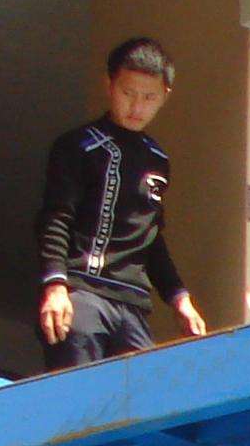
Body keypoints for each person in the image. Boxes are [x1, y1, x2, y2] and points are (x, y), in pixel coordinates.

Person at [35, 37, 208, 370]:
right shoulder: (78, 146)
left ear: (165, 96)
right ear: (109, 85)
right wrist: (55, 284)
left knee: (144, 391)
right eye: (128, 93)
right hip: (83, 295)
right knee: (82, 391)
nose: (137, 107)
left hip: (133, 307)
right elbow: (56, 218)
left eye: (149, 97)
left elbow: (151, 239)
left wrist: (179, 298)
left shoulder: (158, 160)